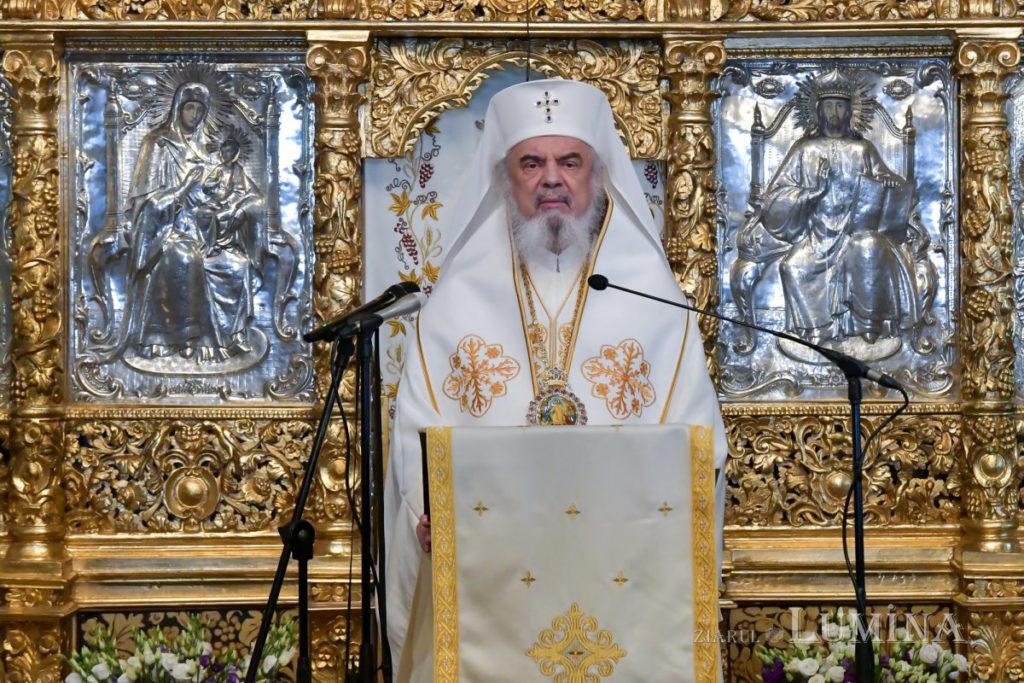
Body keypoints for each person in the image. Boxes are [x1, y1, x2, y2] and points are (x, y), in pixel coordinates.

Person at [383, 78, 726, 681]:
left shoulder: (651, 296)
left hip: (625, 576)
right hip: (492, 583)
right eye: (531, 163)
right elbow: (418, 431)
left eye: (570, 162)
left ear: (597, 174)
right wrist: (425, 509)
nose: (551, 179)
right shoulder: (456, 302)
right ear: (505, 177)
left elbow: (702, 443)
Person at [757, 69, 921, 344]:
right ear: (818, 111)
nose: (834, 113)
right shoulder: (804, 150)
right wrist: (811, 193)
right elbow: (775, 197)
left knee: (868, 250)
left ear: (850, 112)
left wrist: (889, 184)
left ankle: (868, 324)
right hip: (817, 236)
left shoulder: (862, 149)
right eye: (829, 106)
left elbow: (885, 178)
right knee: (792, 267)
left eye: (840, 107)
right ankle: (819, 330)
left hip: (855, 232)